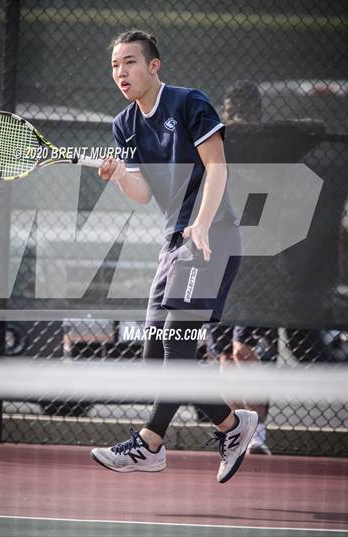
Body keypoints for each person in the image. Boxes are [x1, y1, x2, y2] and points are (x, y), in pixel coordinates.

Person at [90, 30, 258, 483]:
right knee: (155, 359)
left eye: (129, 62)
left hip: (211, 237)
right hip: (173, 245)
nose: (121, 72)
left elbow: (217, 167)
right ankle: (231, 425)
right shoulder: (124, 124)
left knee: (178, 347)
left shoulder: (188, 103)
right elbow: (144, 194)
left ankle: (149, 443)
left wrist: (201, 223)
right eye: (114, 65)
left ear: (153, 66)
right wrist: (120, 176)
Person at [203, 81, 279, 455]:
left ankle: (259, 432)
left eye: (244, 110)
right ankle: (234, 432)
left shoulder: (271, 146)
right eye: (231, 109)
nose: (236, 116)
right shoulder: (217, 145)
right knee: (222, 357)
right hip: (221, 263)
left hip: (260, 270)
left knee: (242, 351)